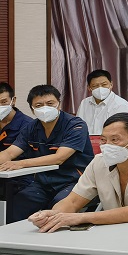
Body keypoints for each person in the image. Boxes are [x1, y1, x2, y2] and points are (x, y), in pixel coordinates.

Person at [27, 113, 128, 232]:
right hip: (120, 232)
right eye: (103, 140)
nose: (107, 146)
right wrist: (53, 215)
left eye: (115, 140)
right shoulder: (99, 161)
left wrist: (79, 217)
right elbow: (73, 202)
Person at [0, 85, 94, 224]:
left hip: (74, 181)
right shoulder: (31, 127)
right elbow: (9, 152)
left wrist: (20, 164)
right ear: (32, 109)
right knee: (17, 205)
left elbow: (59, 158)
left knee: (58, 208)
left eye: (50, 103)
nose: (45, 108)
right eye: (39, 105)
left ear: (59, 104)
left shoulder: (75, 125)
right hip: (44, 183)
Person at [0, 82, 33, 200]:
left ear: (13, 100)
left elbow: (11, 154)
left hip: (20, 176)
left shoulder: (27, 125)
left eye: (3, 102)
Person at [77, 69, 128, 136]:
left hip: (110, 141)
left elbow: (123, 133)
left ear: (111, 84)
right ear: (89, 88)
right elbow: (78, 126)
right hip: (86, 140)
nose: (100, 88)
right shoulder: (84, 103)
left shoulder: (122, 105)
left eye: (104, 85)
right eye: (95, 86)